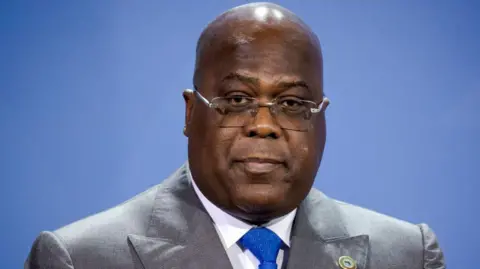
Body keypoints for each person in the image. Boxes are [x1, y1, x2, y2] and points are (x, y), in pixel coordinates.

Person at [25, 2, 445, 269]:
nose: (263, 124)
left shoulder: (407, 254)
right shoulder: (80, 259)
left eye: (294, 104)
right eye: (238, 99)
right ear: (192, 113)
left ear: (321, 119)